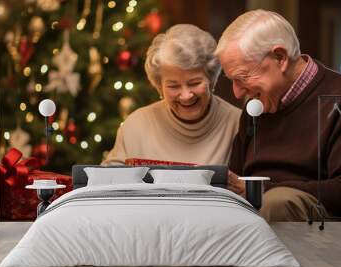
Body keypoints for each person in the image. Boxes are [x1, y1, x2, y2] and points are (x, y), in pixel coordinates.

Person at [215, 10, 341, 221]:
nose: (237, 93)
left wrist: (259, 190)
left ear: (280, 58)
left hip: (317, 224)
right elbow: (236, 180)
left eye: (242, 77)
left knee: (277, 202)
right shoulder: (256, 108)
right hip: (258, 214)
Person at [102, 24, 241, 166]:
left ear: (211, 80)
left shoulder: (238, 123)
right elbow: (109, 179)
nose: (186, 95)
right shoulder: (136, 125)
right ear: (159, 87)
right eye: (173, 86)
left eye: (194, 83)